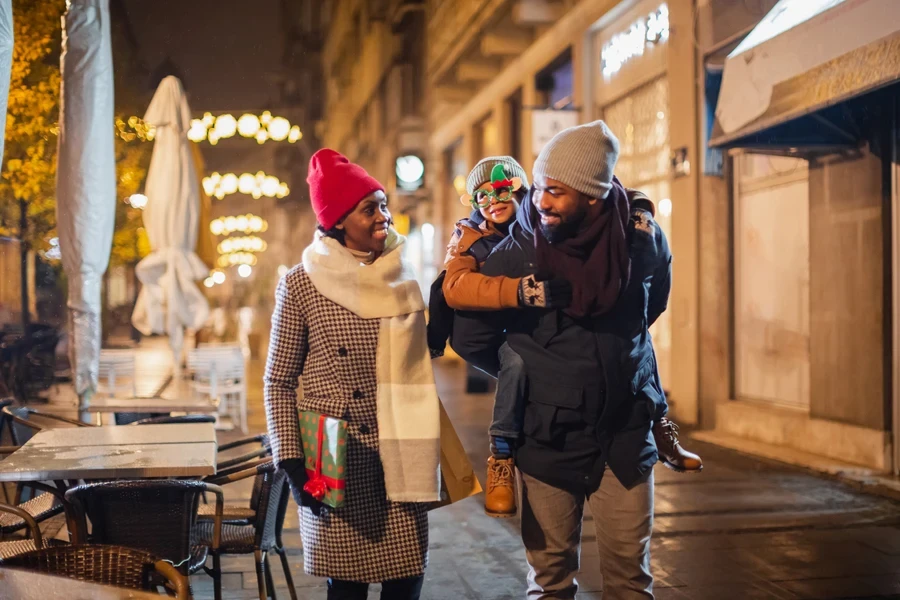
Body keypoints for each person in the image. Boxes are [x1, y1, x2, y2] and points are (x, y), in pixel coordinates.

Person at [450, 121, 698, 599]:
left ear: (593, 196)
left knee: (631, 579)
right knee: (551, 582)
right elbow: (470, 334)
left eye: (555, 192)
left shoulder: (640, 239)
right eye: (539, 187)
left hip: (625, 439)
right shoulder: (517, 249)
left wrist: (619, 352)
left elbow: (655, 301)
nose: (539, 201)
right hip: (547, 443)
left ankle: (663, 430)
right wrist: (526, 371)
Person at [265, 149, 441, 600]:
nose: (384, 216)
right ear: (340, 220)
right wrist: (291, 459)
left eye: (383, 204)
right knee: (346, 587)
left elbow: (424, 355)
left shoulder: (402, 273)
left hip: (400, 448)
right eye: (370, 208)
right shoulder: (301, 282)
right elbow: (279, 381)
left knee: (406, 581)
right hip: (332, 452)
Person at [427, 156, 572, 519]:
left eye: (503, 189)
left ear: (522, 189)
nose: (493, 200)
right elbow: (454, 286)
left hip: (541, 332)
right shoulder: (468, 234)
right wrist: (517, 290)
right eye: (482, 195)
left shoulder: (545, 221)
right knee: (518, 359)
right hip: (486, 335)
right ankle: (501, 455)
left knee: (526, 370)